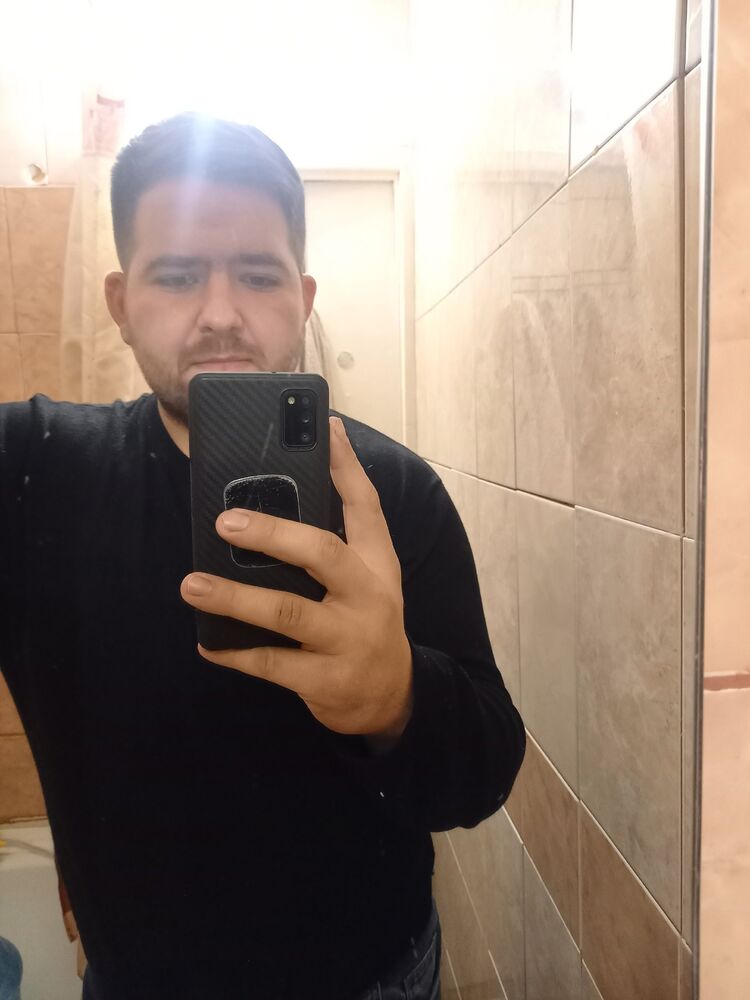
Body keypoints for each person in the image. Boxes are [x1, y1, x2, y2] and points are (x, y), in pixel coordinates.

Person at [0, 114, 525, 1000]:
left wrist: (397, 696)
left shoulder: (395, 489)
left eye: (258, 274)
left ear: (303, 297)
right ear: (121, 304)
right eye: (177, 276)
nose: (220, 313)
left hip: (373, 976)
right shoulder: (34, 471)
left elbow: (484, 774)